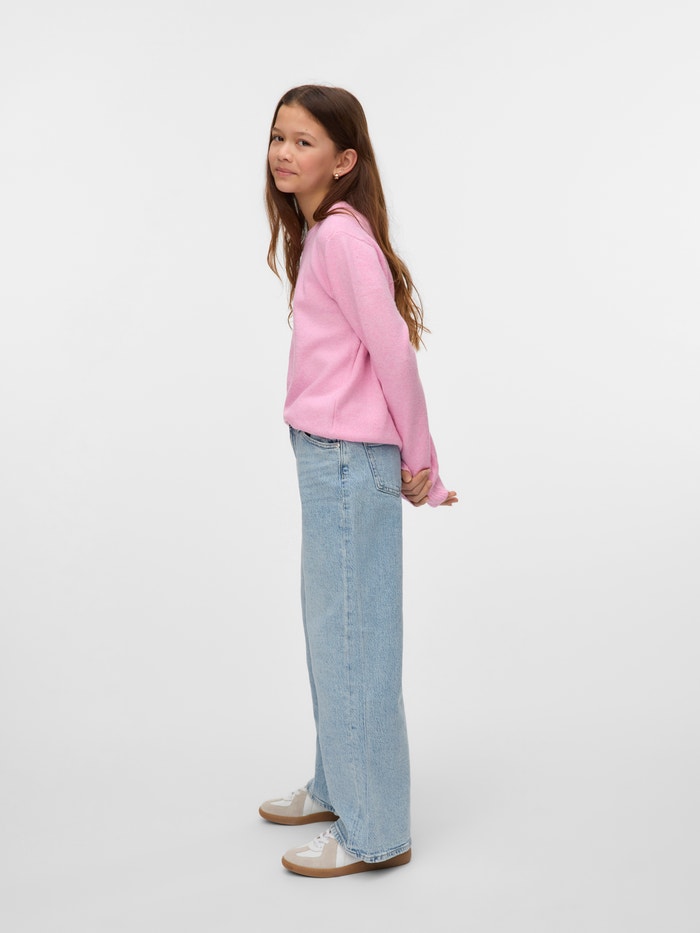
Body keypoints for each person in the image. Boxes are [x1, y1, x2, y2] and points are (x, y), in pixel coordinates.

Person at [259, 84, 457, 878]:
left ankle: (376, 831)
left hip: (348, 459)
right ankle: (337, 785)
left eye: (303, 141)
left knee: (355, 642)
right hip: (326, 454)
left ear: (344, 160)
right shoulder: (322, 232)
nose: (283, 153)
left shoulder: (341, 236)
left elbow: (393, 350)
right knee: (331, 632)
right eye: (278, 136)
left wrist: (422, 460)